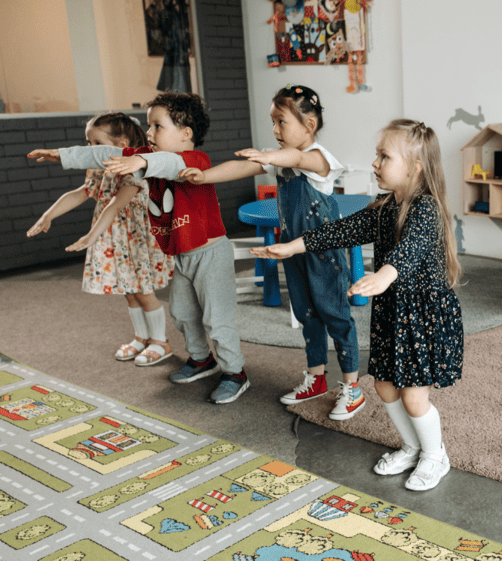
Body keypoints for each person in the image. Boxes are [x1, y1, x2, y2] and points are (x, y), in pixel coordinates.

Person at [251, 119, 462, 491]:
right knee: (383, 386)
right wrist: (290, 246)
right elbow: (338, 231)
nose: (376, 163)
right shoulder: (383, 207)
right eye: (377, 155)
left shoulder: (425, 209)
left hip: (422, 317)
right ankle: (411, 446)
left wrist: (383, 275)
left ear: (415, 167)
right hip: (393, 314)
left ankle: (435, 455)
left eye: (384, 156)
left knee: (414, 397)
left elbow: (410, 250)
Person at [28, 92, 251, 405]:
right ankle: (202, 360)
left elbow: (170, 163)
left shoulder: (194, 160)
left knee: (216, 317)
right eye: (149, 126)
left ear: (185, 134)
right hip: (182, 256)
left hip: (210, 254)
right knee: (183, 314)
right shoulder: (146, 158)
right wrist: (61, 155)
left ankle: (235, 373)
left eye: (157, 126)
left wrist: (142, 160)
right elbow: (105, 155)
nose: (149, 133)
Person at [180, 85, 362, 420]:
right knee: (306, 314)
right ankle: (316, 378)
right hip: (292, 251)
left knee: (335, 315)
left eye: (281, 122)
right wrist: (204, 177)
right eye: (272, 122)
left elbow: (297, 159)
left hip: (323, 254)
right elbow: (241, 168)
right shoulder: (279, 158)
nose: (275, 130)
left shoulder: (321, 158)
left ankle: (352, 386)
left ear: (309, 125)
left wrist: (268, 156)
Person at [27, 113, 174, 366]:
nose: (90, 150)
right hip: (116, 240)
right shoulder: (99, 169)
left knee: (143, 291)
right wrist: (48, 215)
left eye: (96, 144)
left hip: (136, 240)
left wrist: (92, 234)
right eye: (88, 143)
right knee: (128, 291)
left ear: (120, 144)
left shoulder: (136, 169)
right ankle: (141, 337)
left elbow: (115, 206)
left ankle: (160, 342)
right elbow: (81, 192)